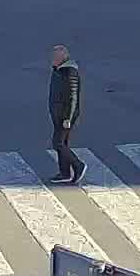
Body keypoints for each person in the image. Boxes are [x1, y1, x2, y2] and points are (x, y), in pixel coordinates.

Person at [47, 44, 86, 185]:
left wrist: (68, 118)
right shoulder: (59, 70)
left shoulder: (70, 73)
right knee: (62, 143)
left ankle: (78, 165)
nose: (52, 59)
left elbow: (73, 97)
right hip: (58, 114)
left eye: (55, 57)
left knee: (57, 143)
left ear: (62, 58)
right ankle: (64, 173)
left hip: (65, 116)